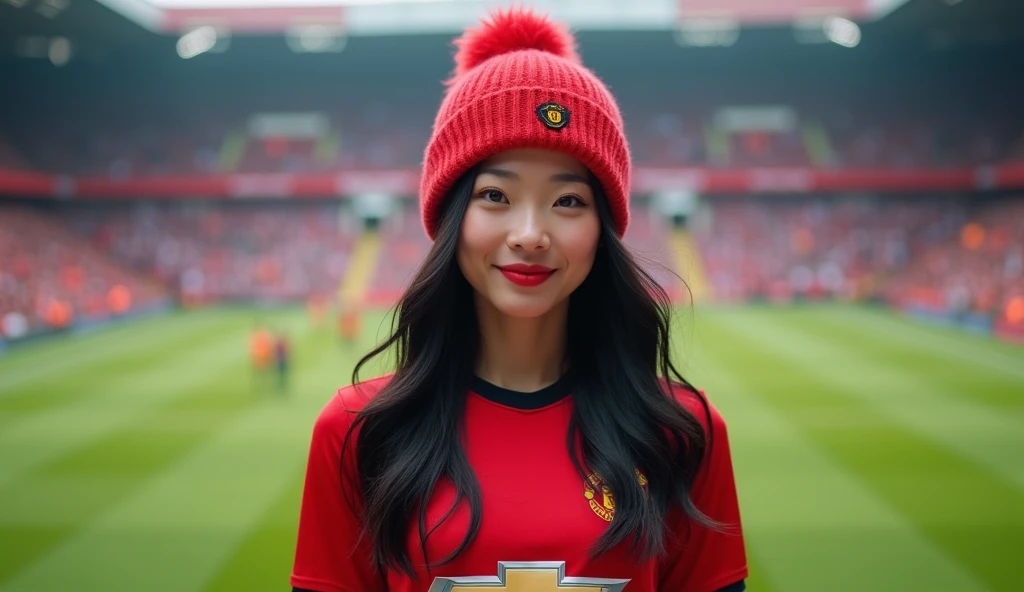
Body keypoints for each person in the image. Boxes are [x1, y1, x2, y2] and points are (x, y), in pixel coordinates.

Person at [291, 8, 747, 592]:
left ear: (603, 228)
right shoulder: (356, 432)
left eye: (568, 202)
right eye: (495, 195)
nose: (530, 233)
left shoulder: (684, 434)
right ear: (452, 217)